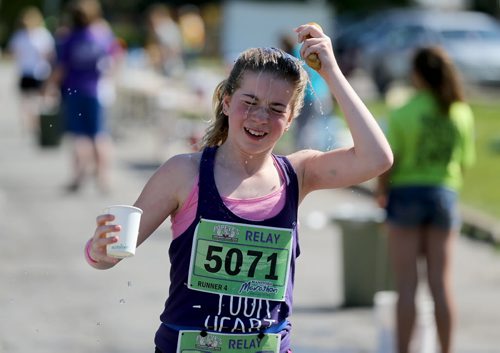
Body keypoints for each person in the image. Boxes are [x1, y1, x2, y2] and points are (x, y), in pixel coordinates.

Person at [85, 23, 393, 353]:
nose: (260, 117)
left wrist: (331, 71)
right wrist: (100, 250)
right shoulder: (184, 173)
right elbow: (107, 256)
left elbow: (376, 158)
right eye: (250, 102)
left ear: (290, 120)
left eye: (277, 109)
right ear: (227, 102)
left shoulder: (298, 173)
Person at [376, 46, 475, 353]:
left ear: (417, 74)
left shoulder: (404, 111)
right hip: (444, 195)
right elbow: (464, 162)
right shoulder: (460, 112)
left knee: (407, 285)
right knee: (440, 284)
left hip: (406, 194)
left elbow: (389, 161)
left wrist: (382, 193)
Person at [46, 0, 118, 193]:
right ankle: (104, 177)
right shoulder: (102, 35)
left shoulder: (69, 38)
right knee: (100, 135)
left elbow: (61, 68)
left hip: (74, 91)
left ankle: (78, 176)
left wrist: (48, 86)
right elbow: (115, 58)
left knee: (79, 136)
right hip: (97, 90)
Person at [8, 6, 56, 133]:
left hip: (40, 72)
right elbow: (13, 53)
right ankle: (30, 125)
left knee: (39, 100)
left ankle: (38, 123)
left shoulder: (42, 34)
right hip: (26, 72)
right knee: (27, 101)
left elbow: (50, 53)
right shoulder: (21, 36)